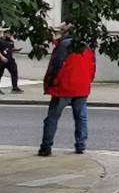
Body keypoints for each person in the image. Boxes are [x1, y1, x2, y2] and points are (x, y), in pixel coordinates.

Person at [39, 24, 96, 156]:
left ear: (67, 32)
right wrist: (87, 81)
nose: (59, 33)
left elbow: (56, 65)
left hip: (63, 87)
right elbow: (92, 67)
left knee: (52, 118)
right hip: (81, 87)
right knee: (81, 118)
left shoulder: (63, 45)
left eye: (61, 31)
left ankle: (46, 146)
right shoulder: (87, 45)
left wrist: (49, 83)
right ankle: (81, 145)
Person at [0, 29, 22, 94]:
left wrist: (16, 50)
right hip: (0, 60)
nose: (10, 35)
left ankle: (15, 87)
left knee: (14, 72)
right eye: (8, 34)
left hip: (9, 60)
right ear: (5, 33)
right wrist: (2, 57)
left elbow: (11, 48)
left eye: (10, 34)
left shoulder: (11, 41)